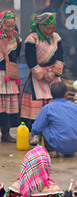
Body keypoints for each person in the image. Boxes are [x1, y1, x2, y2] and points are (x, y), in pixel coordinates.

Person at [21, 12, 64, 145]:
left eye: (53, 27)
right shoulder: (32, 39)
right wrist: (42, 74)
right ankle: (36, 133)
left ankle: (53, 132)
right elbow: (30, 59)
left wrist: (53, 73)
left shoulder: (56, 37)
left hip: (52, 75)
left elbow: (60, 56)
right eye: (48, 28)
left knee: (54, 103)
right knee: (35, 106)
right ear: (41, 25)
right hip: (37, 76)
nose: (51, 31)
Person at [31, 82, 77, 158]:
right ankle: (69, 151)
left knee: (43, 124)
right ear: (66, 94)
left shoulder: (47, 108)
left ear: (51, 94)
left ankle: (51, 151)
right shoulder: (75, 107)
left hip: (59, 145)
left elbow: (36, 129)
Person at [0, 10, 22, 144]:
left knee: (8, 105)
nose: (10, 28)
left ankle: (6, 134)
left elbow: (16, 55)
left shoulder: (16, 39)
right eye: (7, 26)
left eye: (12, 26)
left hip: (10, 75)